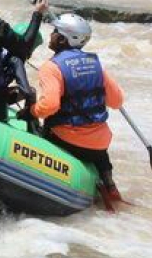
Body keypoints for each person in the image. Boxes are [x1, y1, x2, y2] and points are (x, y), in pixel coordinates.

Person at [27, 13, 125, 203]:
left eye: (55, 32)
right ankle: (108, 182)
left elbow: (49, 106)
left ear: (63, 39)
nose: (52, 34)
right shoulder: (95, 64)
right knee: (96, 143)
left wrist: (31, 110)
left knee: (39, 125)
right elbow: (117, 101)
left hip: (68, 139)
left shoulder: (52, 67)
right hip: (100, 145)